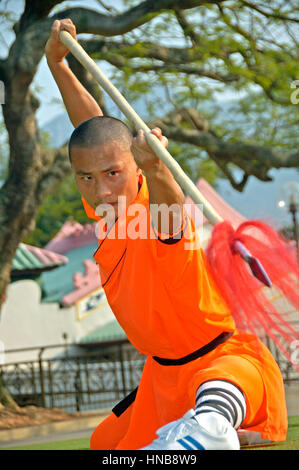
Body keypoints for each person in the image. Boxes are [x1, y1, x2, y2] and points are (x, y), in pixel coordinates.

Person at [45, 19, 288, 451]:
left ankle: (214, 429)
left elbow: (171, 216)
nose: (100, 188)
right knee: (105, 444)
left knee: (219, 393)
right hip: (160, 375)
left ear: (135, 169)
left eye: (113, 174)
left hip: (221, 360)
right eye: (86, 177)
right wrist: (58, 66)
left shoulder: (151, 208)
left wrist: (158, 169)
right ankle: (209, 434)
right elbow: (96, 133)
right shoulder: (105, 207)